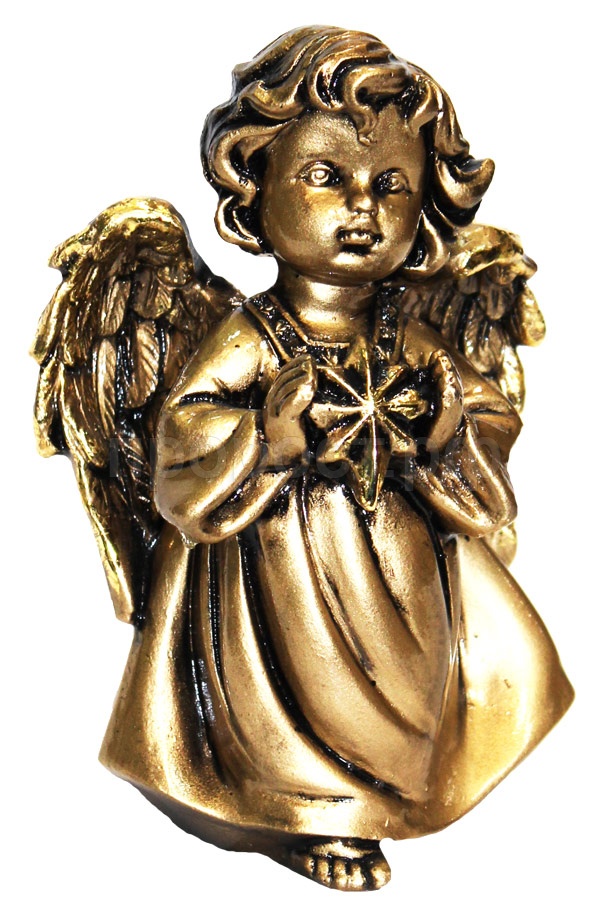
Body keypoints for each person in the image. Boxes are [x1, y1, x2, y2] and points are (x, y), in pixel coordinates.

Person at [99, 27, 572, 891]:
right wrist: (266, 436)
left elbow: (487, 414)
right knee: (290, 696)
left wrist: (444, 429)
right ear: (254, 187)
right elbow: (184, 430)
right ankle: (301, 807)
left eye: (391, 185)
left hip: (398, 571)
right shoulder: (250, 336)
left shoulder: (409, 335)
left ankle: (386, 791)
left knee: (407, 690)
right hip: (277, 575)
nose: (362, 207)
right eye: (326, 176)